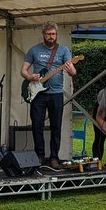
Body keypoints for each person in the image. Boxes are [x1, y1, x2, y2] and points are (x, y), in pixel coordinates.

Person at [21, 23, 77, 169]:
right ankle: (39, 156)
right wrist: (30, 77)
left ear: (56, 35)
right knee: (37, 125)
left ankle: (54, 157)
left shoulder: (63, 50)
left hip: (56, 94)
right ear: (43, 34)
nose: (51, 37)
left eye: (53, 34)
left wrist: (71, 70)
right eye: (48, 34)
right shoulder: (34, 50)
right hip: (38, 94)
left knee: (56, 126)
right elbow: (23, 70)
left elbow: (73, 73)